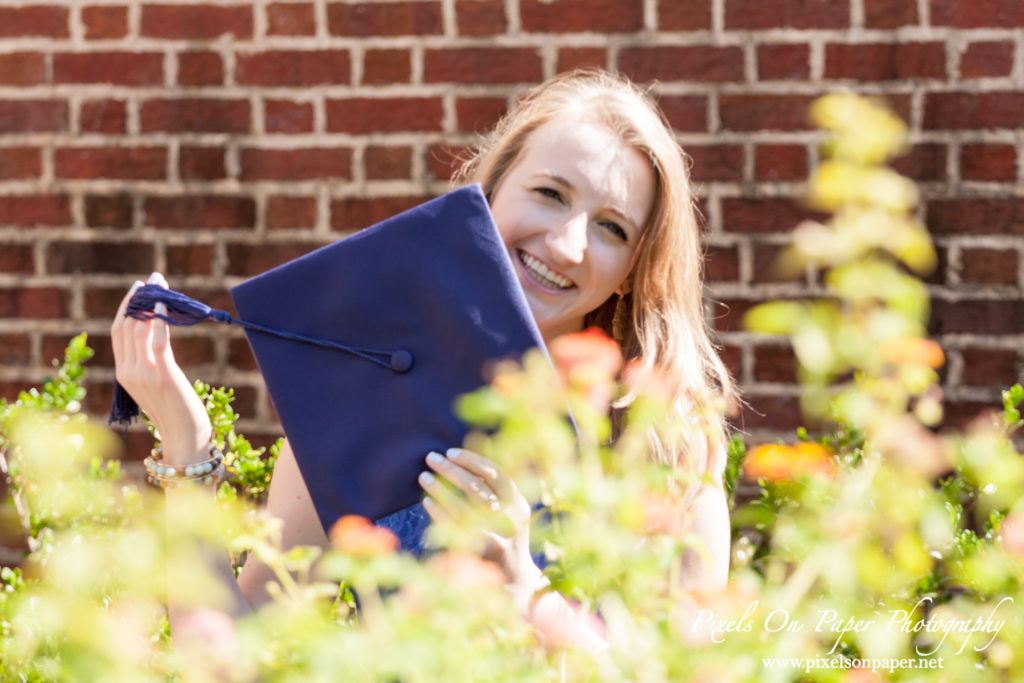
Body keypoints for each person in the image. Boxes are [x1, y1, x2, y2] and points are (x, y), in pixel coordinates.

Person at [111, 69, 736, 652]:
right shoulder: (362, 403)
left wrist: (523, 586)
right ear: (486, 196)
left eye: (612, 229)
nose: (568, 245)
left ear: (632, 271)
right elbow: (233, 659)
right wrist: (187, 449)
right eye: (549, 194)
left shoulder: (665, 442)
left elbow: (696, 666)